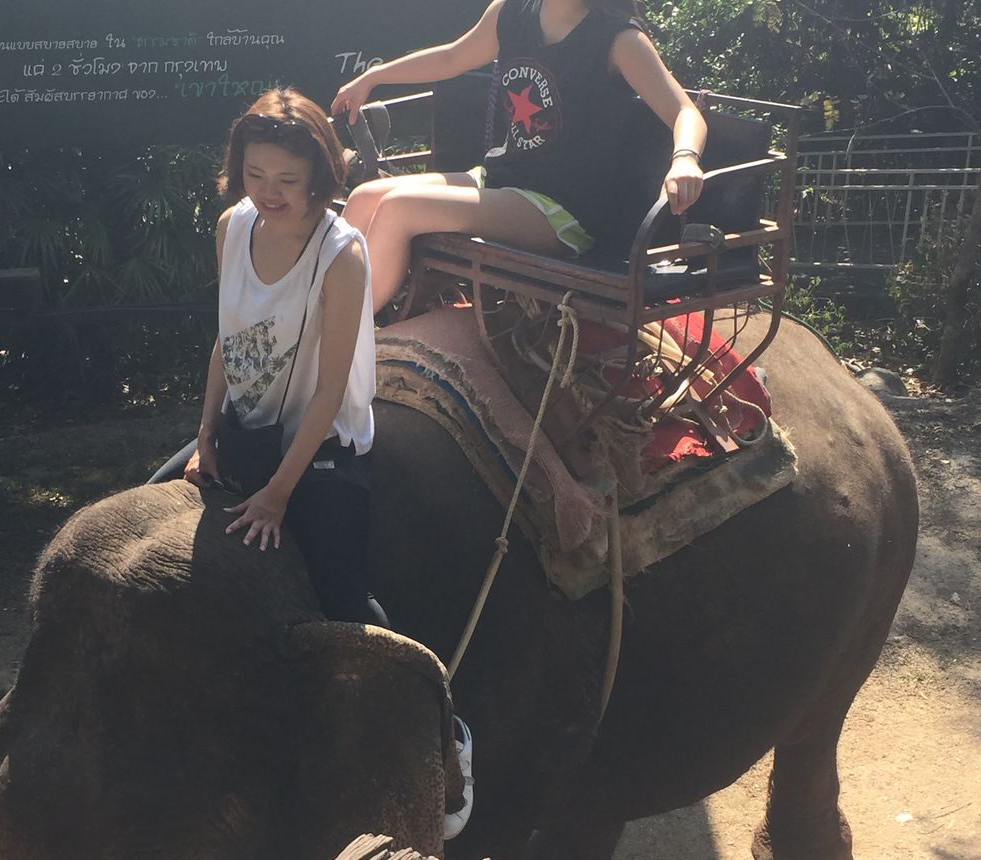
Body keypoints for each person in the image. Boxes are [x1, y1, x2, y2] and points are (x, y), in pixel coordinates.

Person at [148, 87, 385, 628]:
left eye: (287, 180)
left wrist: (277, 495)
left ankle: (422, 685)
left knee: (341, 603)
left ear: (319, 175)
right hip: (245, 429)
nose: (267, 193)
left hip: (320, 444)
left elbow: (330, 390)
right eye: (254, 174)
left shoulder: (341, 254)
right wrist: (206, 436)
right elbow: (227, 339)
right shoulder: (231, 226)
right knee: (148, 504)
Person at [332, 0, 708, 313]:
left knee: (399, 207)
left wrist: (685, 159)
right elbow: (451, 58)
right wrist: (373, 77)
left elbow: (684, 112)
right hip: (502, 179)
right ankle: (319, 318)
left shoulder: (619, 38)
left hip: (562, 208)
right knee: (364, 198)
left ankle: (340, 341)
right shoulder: (511, 11)